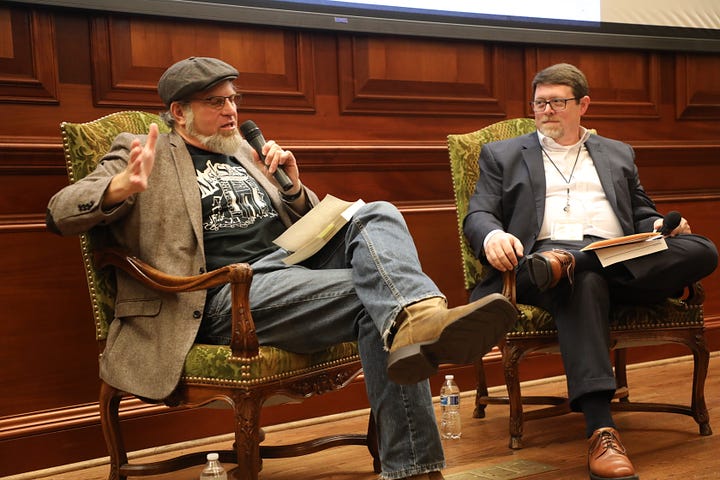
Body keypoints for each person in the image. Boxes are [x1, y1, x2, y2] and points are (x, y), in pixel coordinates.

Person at [46, 56, 517, 480]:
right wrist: (119, 188)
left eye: (233, 99)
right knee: (376, 303)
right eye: (216, 102)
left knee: (374, 211)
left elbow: (313, 224)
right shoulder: (138, 149)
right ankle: (416, 458)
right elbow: (60, 211)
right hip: (217, 296)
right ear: (178, 112)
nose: (231, 111)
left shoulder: (243, 151)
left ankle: (416, 321)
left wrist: (291, 188)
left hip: (287, 266)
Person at [463, 63, 718, 480]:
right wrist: (491, 236)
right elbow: (479, 214)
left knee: (702, 249)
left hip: (617, 256)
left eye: (556, 102)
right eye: (539, 103)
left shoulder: (617, 152)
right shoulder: (503, 154)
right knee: (584, 280)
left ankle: (575, 263)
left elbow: (640, 212)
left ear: (582, 105)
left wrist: (655, 227)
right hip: (537, 261)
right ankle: (601, 429)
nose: (546, 110)